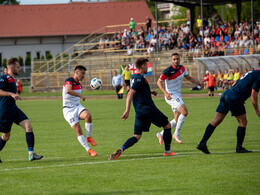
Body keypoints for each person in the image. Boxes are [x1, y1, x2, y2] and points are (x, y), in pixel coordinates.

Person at [108, 58, 176, 160]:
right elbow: (131, 92)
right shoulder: (140, 77)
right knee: (167, 126)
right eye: (146, 65)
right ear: (143, 66)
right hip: (148, 109)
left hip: (139, 112)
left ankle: (122, 149)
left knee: (137, 136)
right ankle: (167, 151)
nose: (148, 67)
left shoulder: (134, 76)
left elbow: (138, 90)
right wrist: (127, 110)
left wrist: (150, 92)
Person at [196, 62, 260, 154]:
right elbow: (254, 95)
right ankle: (239, 148)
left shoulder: (251, 72)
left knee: (216, 120)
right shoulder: (259, 75)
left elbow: (235, 83)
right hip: (235, 98)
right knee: (243, 121)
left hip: (227, 94)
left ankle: (202, 143)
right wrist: (257, 111)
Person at [0, 58, 43, 163]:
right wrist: (11, 94)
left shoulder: (12, 79)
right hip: (5, 110)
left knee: (29, 126)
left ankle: (31, 154)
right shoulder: (4, 77)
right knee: (5, 136)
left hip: (13, 109)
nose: (20, 69)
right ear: (11, 68)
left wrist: (14, 95)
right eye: (18, 67)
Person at [156, 53, 203, 144]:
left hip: (178, 95)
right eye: (174, 59)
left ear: (179, 59)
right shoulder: (167, 71)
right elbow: (159, 82)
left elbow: (189, 78)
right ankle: (176, 134)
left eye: (177, 59)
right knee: (184, 112)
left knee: (177, 119)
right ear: (171, 60)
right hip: (171, 95)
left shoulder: (182, 68)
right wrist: (165, 93)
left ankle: (161, 134)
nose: (176, 61)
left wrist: (199, 82)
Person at [62, 65, 97, 157]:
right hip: (68, 110)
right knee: (78, 129)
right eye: (82, 73)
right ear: (76, 72)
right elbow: (68, 91)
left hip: (77, 107)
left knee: (88, 115)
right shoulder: (69, 80)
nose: (83, 76)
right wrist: (80, 96)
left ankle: (89, 137)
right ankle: (88, 150)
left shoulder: (79, 85)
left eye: (84, 74)